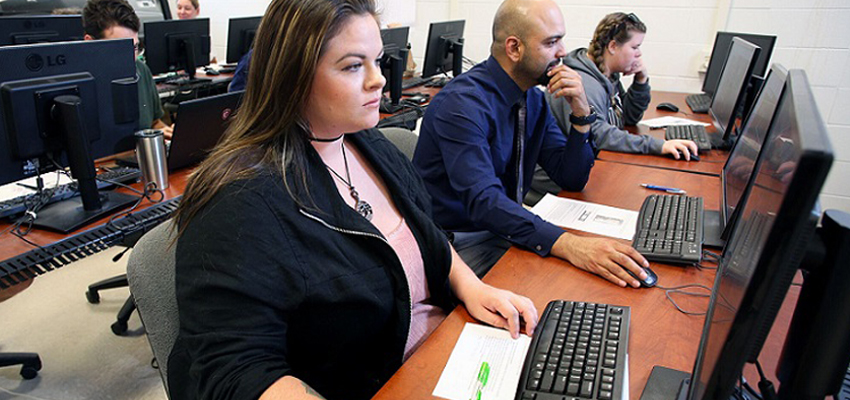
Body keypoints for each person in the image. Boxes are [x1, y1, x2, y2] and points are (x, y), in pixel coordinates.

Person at [169, 0, 538, 399]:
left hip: (447, 355)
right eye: (352, 66)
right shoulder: (238, 201)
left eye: (377, 61)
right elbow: (236, 370)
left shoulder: (369, 145)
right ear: (292, 77)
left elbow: (428, 234)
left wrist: (473, 288)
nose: (377, 80)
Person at [413, 0, 650, 286]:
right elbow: (484, 202)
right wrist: (569, 245)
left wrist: (581, 113)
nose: (563, 52)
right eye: (552, 42)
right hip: (458, 245)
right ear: (514, 48)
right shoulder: (462, 105)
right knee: (561, 287)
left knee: (584, 277)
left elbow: (570, 177)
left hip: (503, 228)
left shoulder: (533, 99)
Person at [545, 12, 698, 160]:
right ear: (612, 46)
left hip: (586, 163)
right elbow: (598, 135)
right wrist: (657, 146)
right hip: (559, 180)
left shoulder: (608, 75)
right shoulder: (584, 83)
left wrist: (641, 80)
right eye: (635, 47)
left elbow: (629, 117)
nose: (639, 54)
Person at [82, 0, 174, 138]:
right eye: (120, 49)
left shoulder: (141, 70)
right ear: (90, 43)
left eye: (135, 47)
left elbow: (154, 123)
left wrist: (165, 132)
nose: (131, 58)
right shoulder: (78, 86)